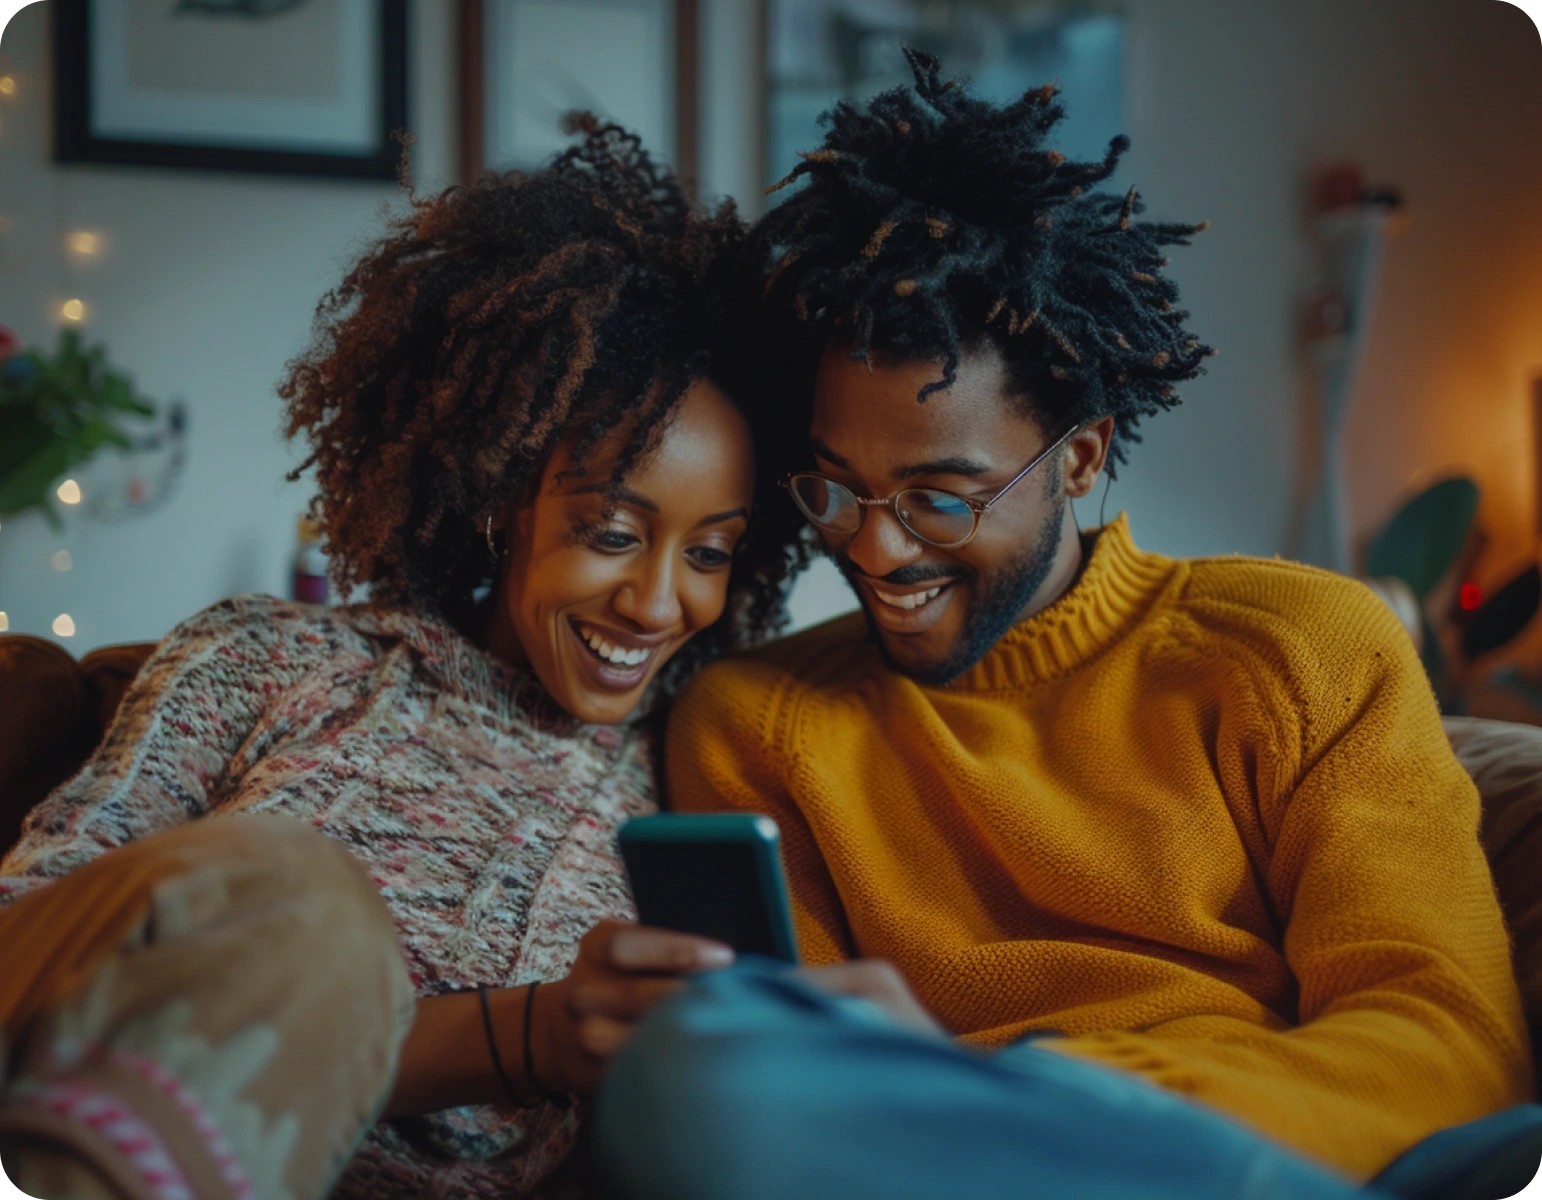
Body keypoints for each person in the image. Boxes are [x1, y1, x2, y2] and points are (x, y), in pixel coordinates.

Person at [591, 51, 1541, 1199]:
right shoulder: (756, 723)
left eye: (942, 499)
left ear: (1079, 456)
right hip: (950, 1152)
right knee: (679, 1083)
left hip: (1282, 1161)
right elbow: (799, 1095)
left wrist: (1058, 1098)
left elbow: (1445, 1044)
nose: (878, 550)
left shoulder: (1303, 647)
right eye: (837, 486)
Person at [0, 119, 803, 1200]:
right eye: (612, 533)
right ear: (500, 505)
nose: (661, 602)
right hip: (68, 1070)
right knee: (301, 899)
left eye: (711, 553)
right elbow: (32, 933)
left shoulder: (693, 781)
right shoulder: (269, 660)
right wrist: (518, 1035)